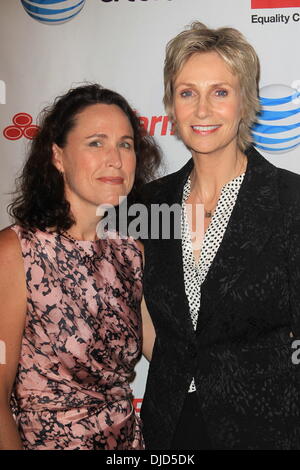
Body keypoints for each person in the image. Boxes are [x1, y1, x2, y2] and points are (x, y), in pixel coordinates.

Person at [140, 22, 300, 450]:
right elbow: (145, 321)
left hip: (267, 429)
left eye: (221, 92)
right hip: (169, 426)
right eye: (187, 92)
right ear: (171, 105)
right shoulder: (149, 204)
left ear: (246, 101)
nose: (202, 110)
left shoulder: (290, 200)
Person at [0, 84, 161, 450]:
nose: (116, 159)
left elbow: (167, 350)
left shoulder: (131, 251)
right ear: (58, 156)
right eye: (96, 142)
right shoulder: (16, 252)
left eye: (125, 144)